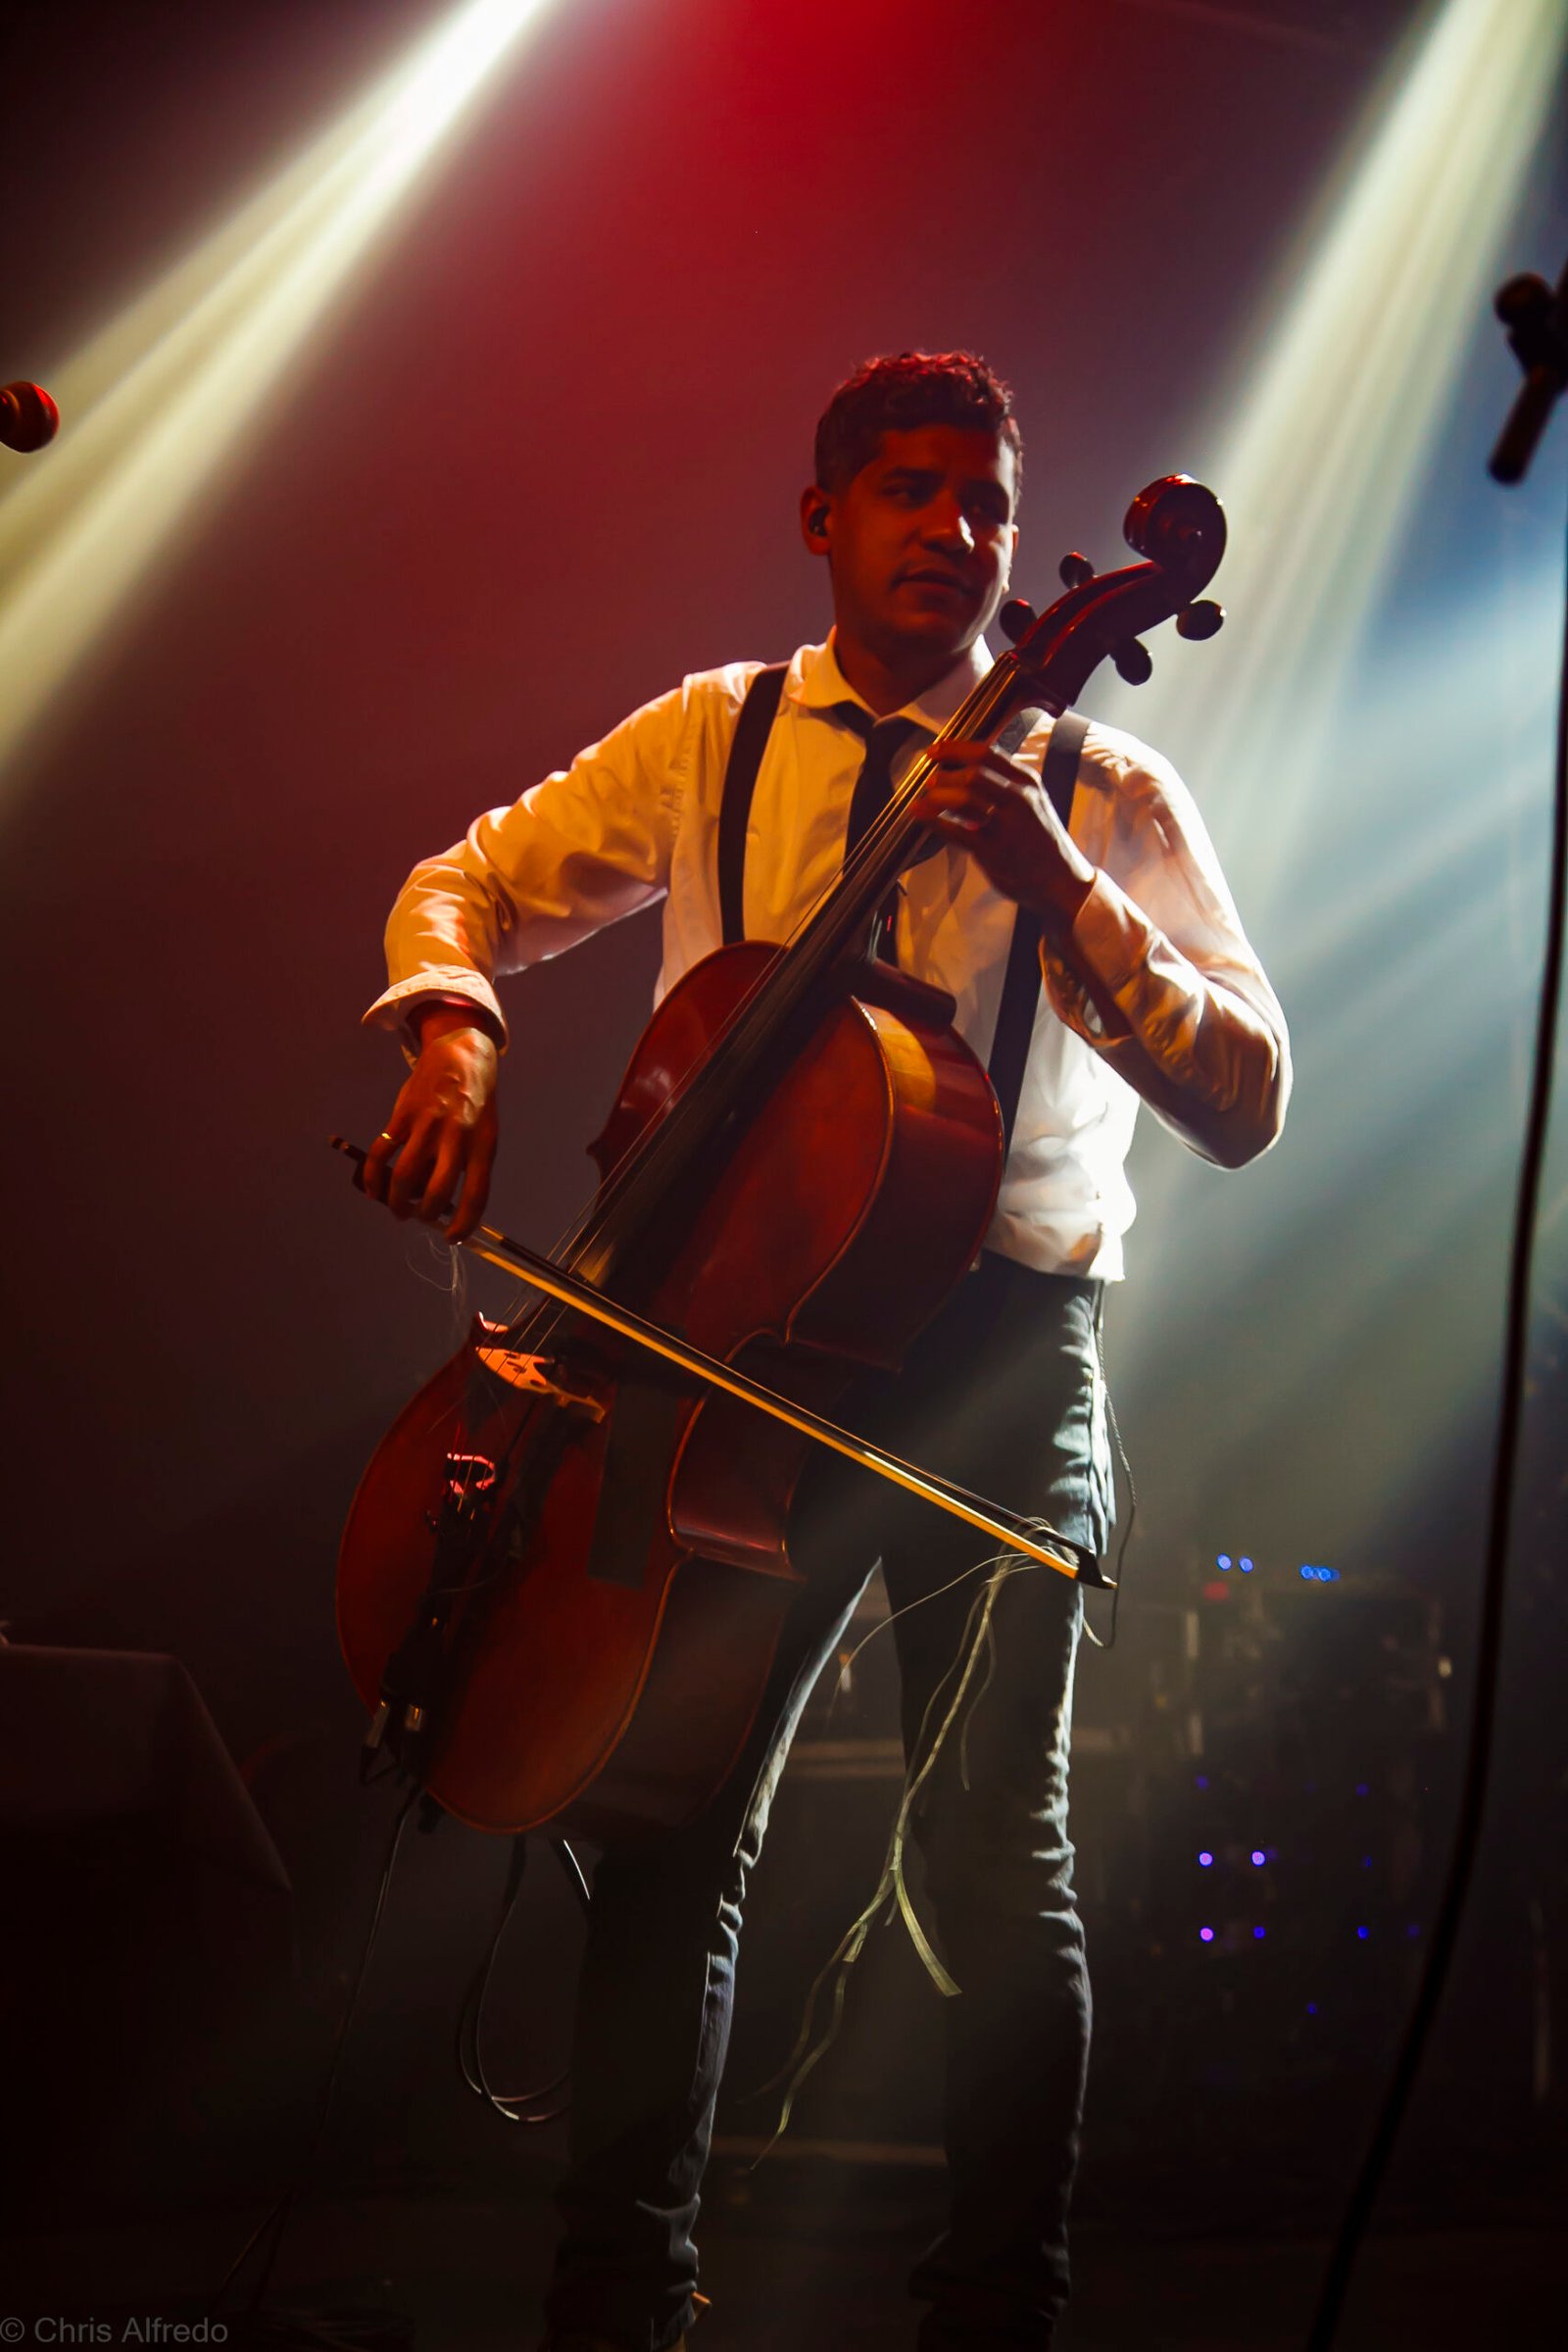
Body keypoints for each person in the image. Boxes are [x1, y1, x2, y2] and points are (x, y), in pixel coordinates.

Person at [361, 351, 1289, 2352]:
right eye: (906, 489)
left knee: (991, 1856)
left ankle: (998, 2311)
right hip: (739, 1351)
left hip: (1001, 1354)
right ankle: (617, 2302)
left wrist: (1060, 893)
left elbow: (1247, 1094)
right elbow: (471, 883)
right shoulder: (713, 735)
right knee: (665, 1827)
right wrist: (456, 1030)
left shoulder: (1105, 789)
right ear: (821, 518)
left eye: (983, 498)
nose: (951, 528)